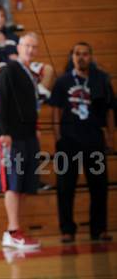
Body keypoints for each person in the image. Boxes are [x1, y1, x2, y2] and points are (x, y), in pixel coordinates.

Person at [49, 42, 115, 243]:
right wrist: (58, 137)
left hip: (95, 140)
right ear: (72, 57)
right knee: (65, 188)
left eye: (85, 54)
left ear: (91, 56)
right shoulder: (63, 81)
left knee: (99, 187)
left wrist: (110, 137)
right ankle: (67, 230)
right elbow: (55, 111)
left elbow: (110, 110)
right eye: (77, 54)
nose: (81, 57)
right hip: (69, 142)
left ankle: (99, 229)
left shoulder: (102, 80)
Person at [0, 32, 42, 250]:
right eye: (27, 46)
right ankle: (12, 231)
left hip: (29, 136)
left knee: (23, 185)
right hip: (12, 137)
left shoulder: (30, 74)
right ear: (19, 47)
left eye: (34, 47)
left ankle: (17, 229)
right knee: (13, 183)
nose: (30, 50)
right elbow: (1, 102)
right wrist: (4, 132)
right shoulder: (9, 69)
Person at [0, 4, 54, 103]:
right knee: (9, 70)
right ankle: (30, 94)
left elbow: (25, 52)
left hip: (21, 64)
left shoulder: (13, 36)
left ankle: (37, 93)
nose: (0, 19)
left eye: (2, 16)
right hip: (2, 69)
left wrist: (19, 58)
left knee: (48, 69)